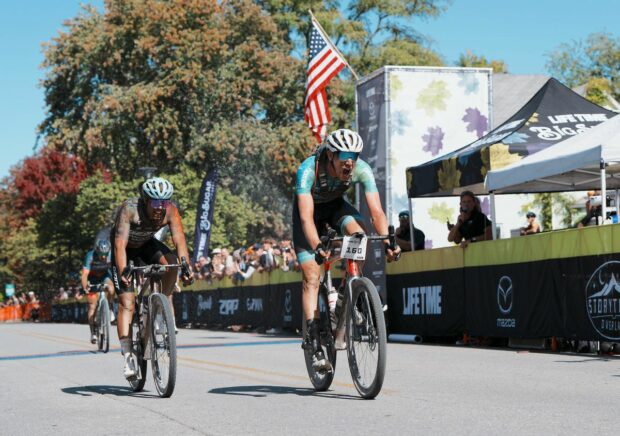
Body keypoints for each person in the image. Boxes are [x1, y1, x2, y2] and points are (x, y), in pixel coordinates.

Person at [293, 128, 401, 371]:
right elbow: (306, 219)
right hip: (309, 218)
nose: (350, 163)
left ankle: (349, 291)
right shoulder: (308, 170)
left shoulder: (361, 169)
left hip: (336, 209)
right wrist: (317, 246)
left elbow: (377, 212)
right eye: (345, 156)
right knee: (311, 276)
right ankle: (314, 344)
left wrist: (388, 243)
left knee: (359, 234)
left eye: (355, 156)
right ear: (331, 156)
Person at [111, 177, 193, 379]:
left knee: (172, 262)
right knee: (127, 303)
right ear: (146, 200)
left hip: (146, 244)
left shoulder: (170, 210)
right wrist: (123, 272)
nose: (160, 208)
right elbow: (119, 244)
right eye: (156, 202)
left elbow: (179, 239)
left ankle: (158, 305)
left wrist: (186, 266)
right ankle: (128, 354)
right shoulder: (129, 209)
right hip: (124, 251)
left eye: (164, 202)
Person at [77, 239, 115, 344]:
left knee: (111, 289)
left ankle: (110, 308)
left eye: (105, 255)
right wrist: (85, 288)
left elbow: (115, 270)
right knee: (92, 307)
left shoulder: (111, 255)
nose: (103, 257)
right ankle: (93, 332)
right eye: (101, 255)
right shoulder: (90, 256)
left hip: (104, 276)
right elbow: (84, 275)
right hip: (92, 279)